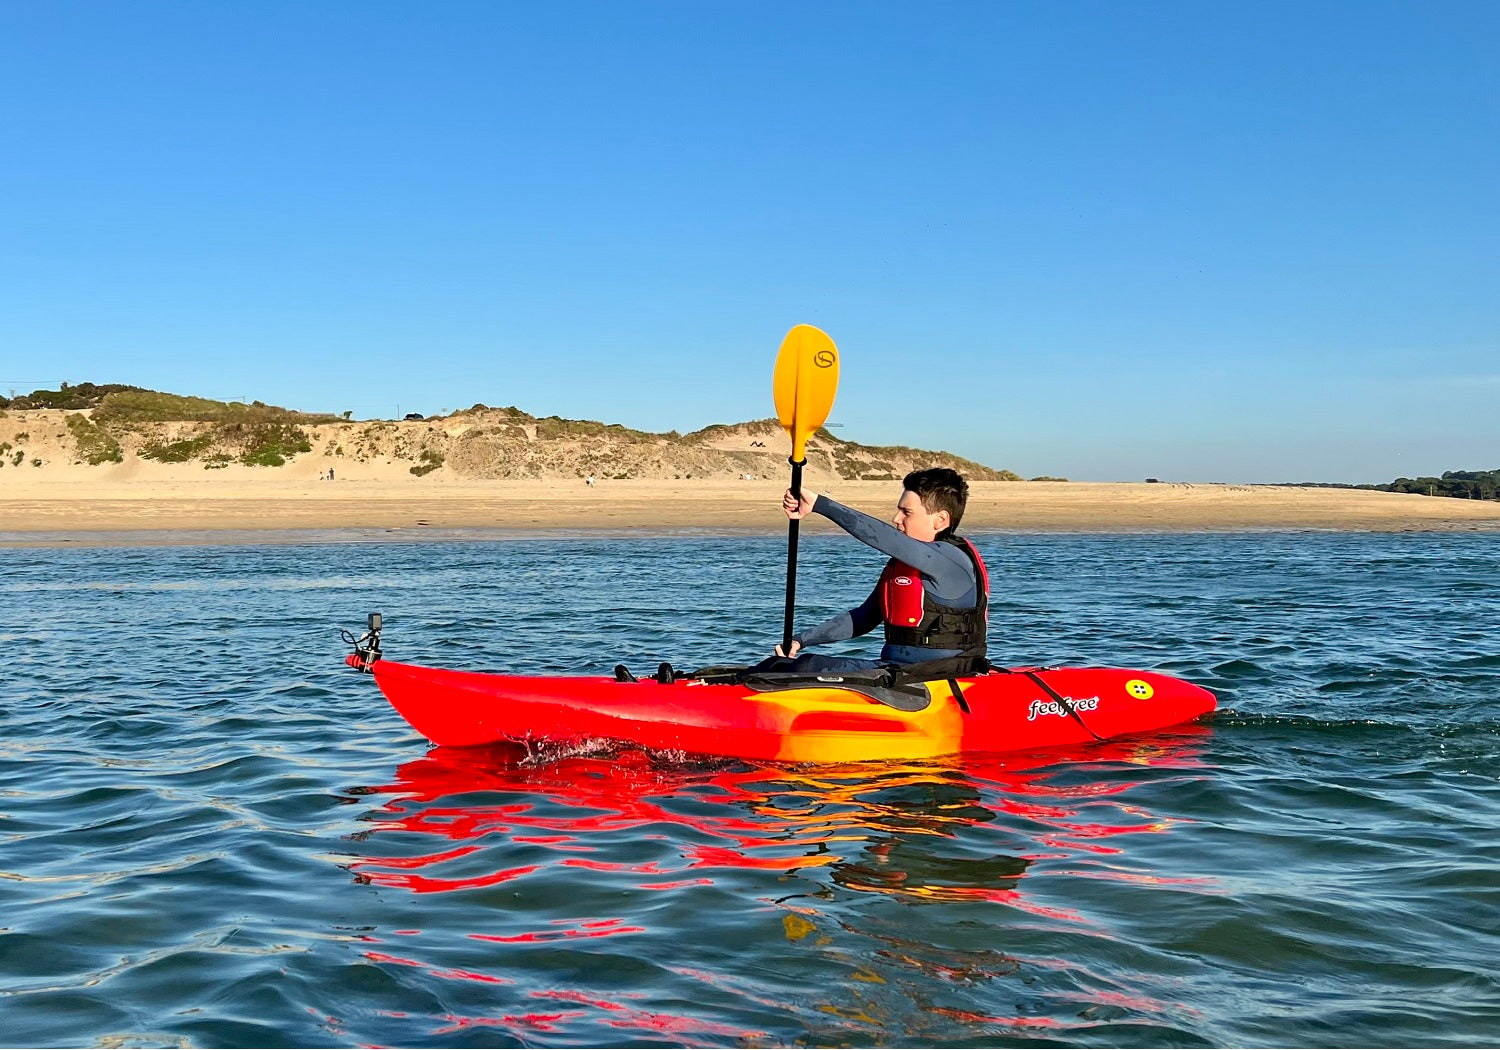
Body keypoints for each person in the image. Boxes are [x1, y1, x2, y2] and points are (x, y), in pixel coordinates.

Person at [769, 467, 990, 677]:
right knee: (787, 664)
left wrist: (820, 504)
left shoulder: (951, 561)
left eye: (906, 512)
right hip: (897, 673)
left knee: (805, 666)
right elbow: (864, 618)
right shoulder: (905, 564)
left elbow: (883, 537)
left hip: (937, 674)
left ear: (940, 519)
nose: (896, 519)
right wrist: (800, 640)